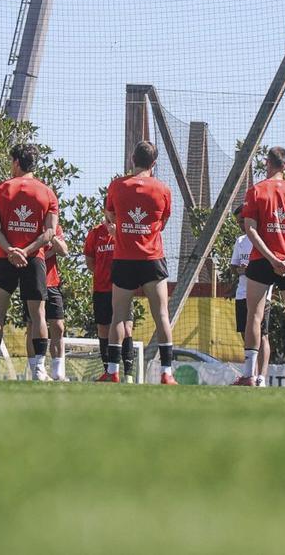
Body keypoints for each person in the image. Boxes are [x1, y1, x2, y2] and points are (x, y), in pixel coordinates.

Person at [233, 146, 285, 388]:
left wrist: (270, 258)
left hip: (261, 261)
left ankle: (249, 375)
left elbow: (250, 228)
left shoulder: (256, 190)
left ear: (267, 163)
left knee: (254, 318)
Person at [0, 143, 58, 381]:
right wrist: (26, 250)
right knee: (39, 316)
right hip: (34, 260)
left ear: (16, 162)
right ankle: (39, 370)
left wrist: (11, 250)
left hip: (5, 258)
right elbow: (50, 233)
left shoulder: (0, 189)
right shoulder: (47, 192)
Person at [101, 141, 177, 386]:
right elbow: (163, 222)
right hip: (152, 259)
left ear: (132, 159)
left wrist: (124, 230)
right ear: (154, 163)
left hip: (124, 258)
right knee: (162, 315)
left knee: (118, 317)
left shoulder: (117, 186)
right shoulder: (163, 189)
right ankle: (167, 373)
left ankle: (112, 371)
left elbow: (111, 216)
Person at [84, 217, 133, 382]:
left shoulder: (125, 230)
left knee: (126, 328)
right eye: (109, 209)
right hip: (101, 289)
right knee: (103, 329)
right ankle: (108, 371)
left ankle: (129, 374)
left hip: (122, 288)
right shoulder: (95, 232)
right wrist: (101, 274)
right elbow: (90, 261)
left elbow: (133, 251)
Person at [229, 209, 271, 387]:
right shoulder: (240, 241)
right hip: (242, 294)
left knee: (262, 336)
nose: (241, 225)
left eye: (242, 221)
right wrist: (240, 269)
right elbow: (233, 266)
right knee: (246, 334)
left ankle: (261, 377)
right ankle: (250, 375)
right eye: (238, 222)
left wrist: (253, 270)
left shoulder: (264, 240)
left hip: (262, 295)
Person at [37, 225, 69, 381]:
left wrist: (52, 237)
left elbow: (64, 251)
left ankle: (57, 372)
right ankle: (37, 368)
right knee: (34, 325)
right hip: (35, 282)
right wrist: (49, 251)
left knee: (58, 326)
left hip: (53, 283)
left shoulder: (56, 228)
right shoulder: (32, 225)